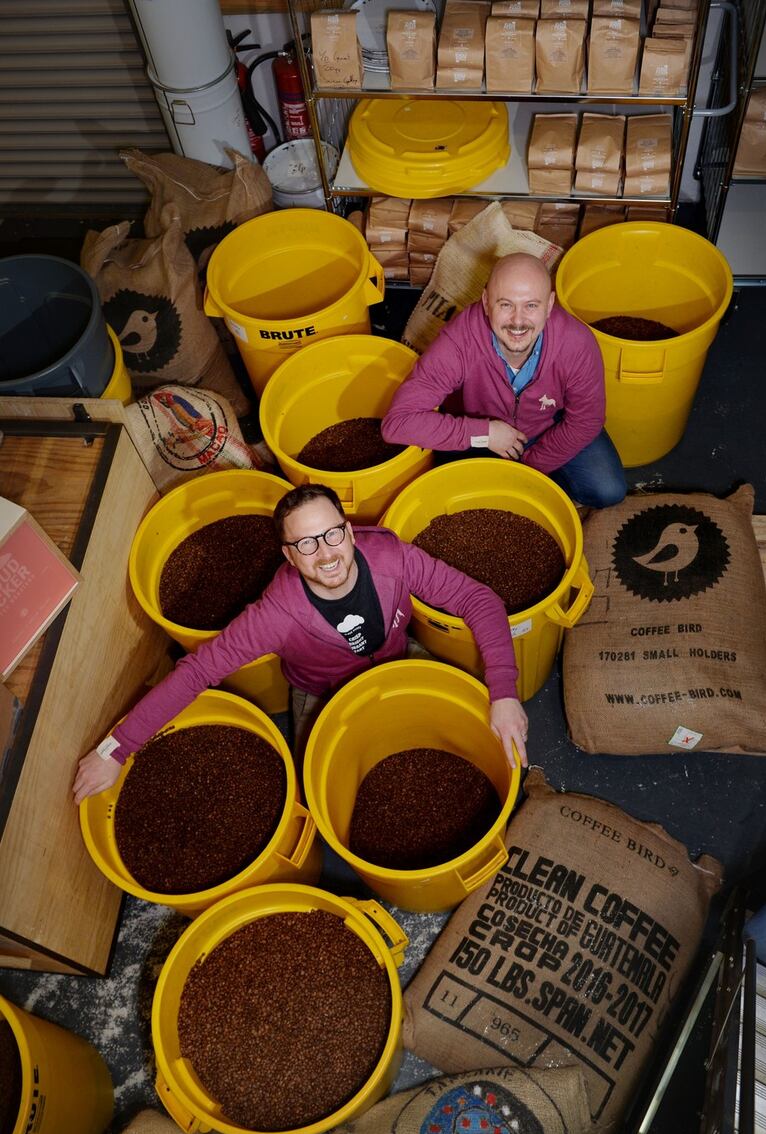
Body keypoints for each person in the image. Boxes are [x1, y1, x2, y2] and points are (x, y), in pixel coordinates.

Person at [72, 484, 529, 802]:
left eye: (332, 534)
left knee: (470, 723)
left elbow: (478, 599)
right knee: (319, 782)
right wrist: (115, 749)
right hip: (321, 689)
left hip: (397, 658)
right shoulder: (274, 617)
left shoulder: (393, 558)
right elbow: (196, 672)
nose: (327, 554)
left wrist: (505, 693)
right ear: (288, 555)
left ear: (349, 532)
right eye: (306, 544)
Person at [381, 252, 627, 509]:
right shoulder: (460, 340)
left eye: (531, 305)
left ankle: (533, 481)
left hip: (550, 426)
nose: (518, 321)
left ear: (550, 304)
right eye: (505, 304)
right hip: (482, 431)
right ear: (486, 302)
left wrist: (531, 465)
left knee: (608, 489)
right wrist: (484, 434)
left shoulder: (577, 344)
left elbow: (586, 420)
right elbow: (398, 423)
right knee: (458, 504)